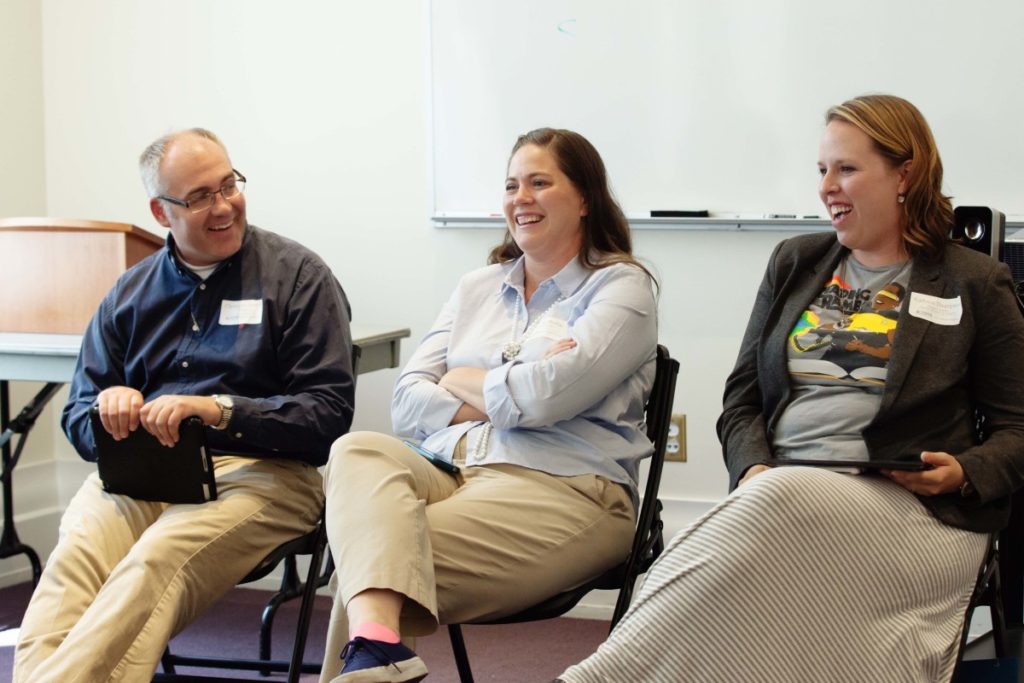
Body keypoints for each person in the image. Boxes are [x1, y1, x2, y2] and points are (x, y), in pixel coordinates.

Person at [558, 94, 1024, 682]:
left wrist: (961, 472)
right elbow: (742, 400)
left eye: (847, 169)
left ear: (905, 173)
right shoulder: (795, 262)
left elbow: (1018, 428)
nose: (828, 186)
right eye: (822, 170)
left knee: (770, 508)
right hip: (781, 493)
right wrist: (753, 470)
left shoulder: (974, 280)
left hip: (915, 513)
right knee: (768, 514)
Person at [13, 128, 356, 683]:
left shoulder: (298, 278)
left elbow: (327, 415)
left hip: (266, 475)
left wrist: (221, 410)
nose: (223, 206)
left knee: (156, 560)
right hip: (145, 472)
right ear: (160, 211)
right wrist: (108, 409)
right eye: (199, 197)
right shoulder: (129, 294)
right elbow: (77, 420)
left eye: (229, 185)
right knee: (75, 560)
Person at [317, 127, 658, 682]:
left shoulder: (621, 288)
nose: (519, 198)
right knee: (356, 450)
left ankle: (376, 648)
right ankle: (378, 650)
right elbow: (406, 404)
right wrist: (512, 389)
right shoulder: (476, 287)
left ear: (585, 199)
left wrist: (462, 377)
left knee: (370, 566)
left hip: (565, 487)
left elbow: (548, 399)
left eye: (540, 183)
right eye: (511, 185)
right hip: (450, 467)